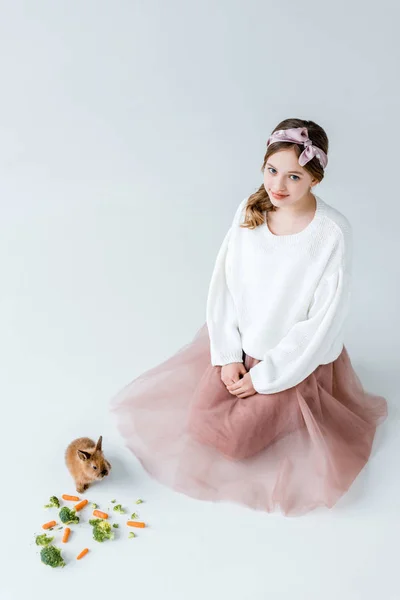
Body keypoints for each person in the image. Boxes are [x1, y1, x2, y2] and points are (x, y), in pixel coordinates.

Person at [110, 117, 387, 516]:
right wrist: (226, 355)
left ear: (315, 180)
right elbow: (224, 284)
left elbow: (320, 323)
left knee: (236, 442)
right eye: (272, 171)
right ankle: (257, 397)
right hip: (243, 346)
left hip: (293, 361)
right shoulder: (250, 209)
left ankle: (295, 413)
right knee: (200, 424)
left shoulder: (332, 233)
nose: (278, 186)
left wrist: (265, 376)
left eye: (294, 177)